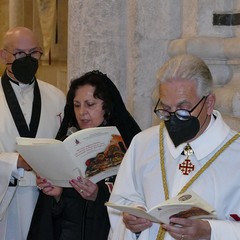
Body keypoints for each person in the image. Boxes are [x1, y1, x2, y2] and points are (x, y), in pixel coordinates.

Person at [107, 54, 240, 240]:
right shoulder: (143, 144)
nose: (174, 118)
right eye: (166, 110)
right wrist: (133, 222)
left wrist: (211, 231)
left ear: (209, 103)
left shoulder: (236, 155)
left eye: (183, 109)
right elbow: (122, 202)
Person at [27, 70, 141, 240]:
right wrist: (56, 195)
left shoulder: (131, 146)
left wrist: (98, 195)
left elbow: (137, 204)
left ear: (107, 107)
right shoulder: (66, 144)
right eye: (77, 104)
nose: (82, 112)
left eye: (90, 104)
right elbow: (54, 216)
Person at [0, 26, 65, 239]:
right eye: (19, 54)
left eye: (34, 53)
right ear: (3, 56)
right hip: (6, 201)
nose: (28, 59)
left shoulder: (56, 97)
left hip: (46, 199)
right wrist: (15, 162)